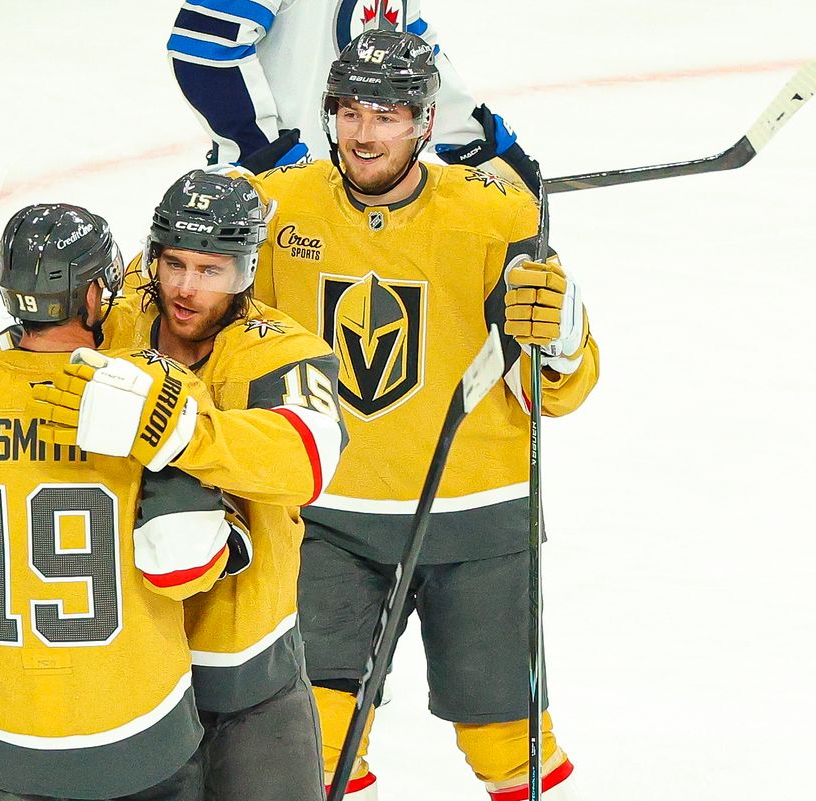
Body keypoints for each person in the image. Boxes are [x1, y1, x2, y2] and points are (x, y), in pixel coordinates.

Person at [0, 172, 348, 801]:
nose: (184, 287)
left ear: (247, 269)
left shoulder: (280, 352)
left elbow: (308, 460)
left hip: (235, 669)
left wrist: (182, 433)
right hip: (124, 683)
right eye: (172, 263)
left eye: (211, 270)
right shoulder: (107, 319)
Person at [241, 29, 600, 801]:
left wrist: (564, 336)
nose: (364, 133)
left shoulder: (495, 213)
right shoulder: (277, 208)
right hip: (329, 514)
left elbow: (556, 391)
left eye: (388, 114)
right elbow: (230, 341)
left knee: (509, 743)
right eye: (349, 111)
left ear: (425, 124)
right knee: (315, 736)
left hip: (475, 513)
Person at [166, 0, 540, 192]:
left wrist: (477, 144)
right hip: (271, 205)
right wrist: (275, 162)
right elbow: (204, 54)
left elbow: (408, 54)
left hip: (361, 196)